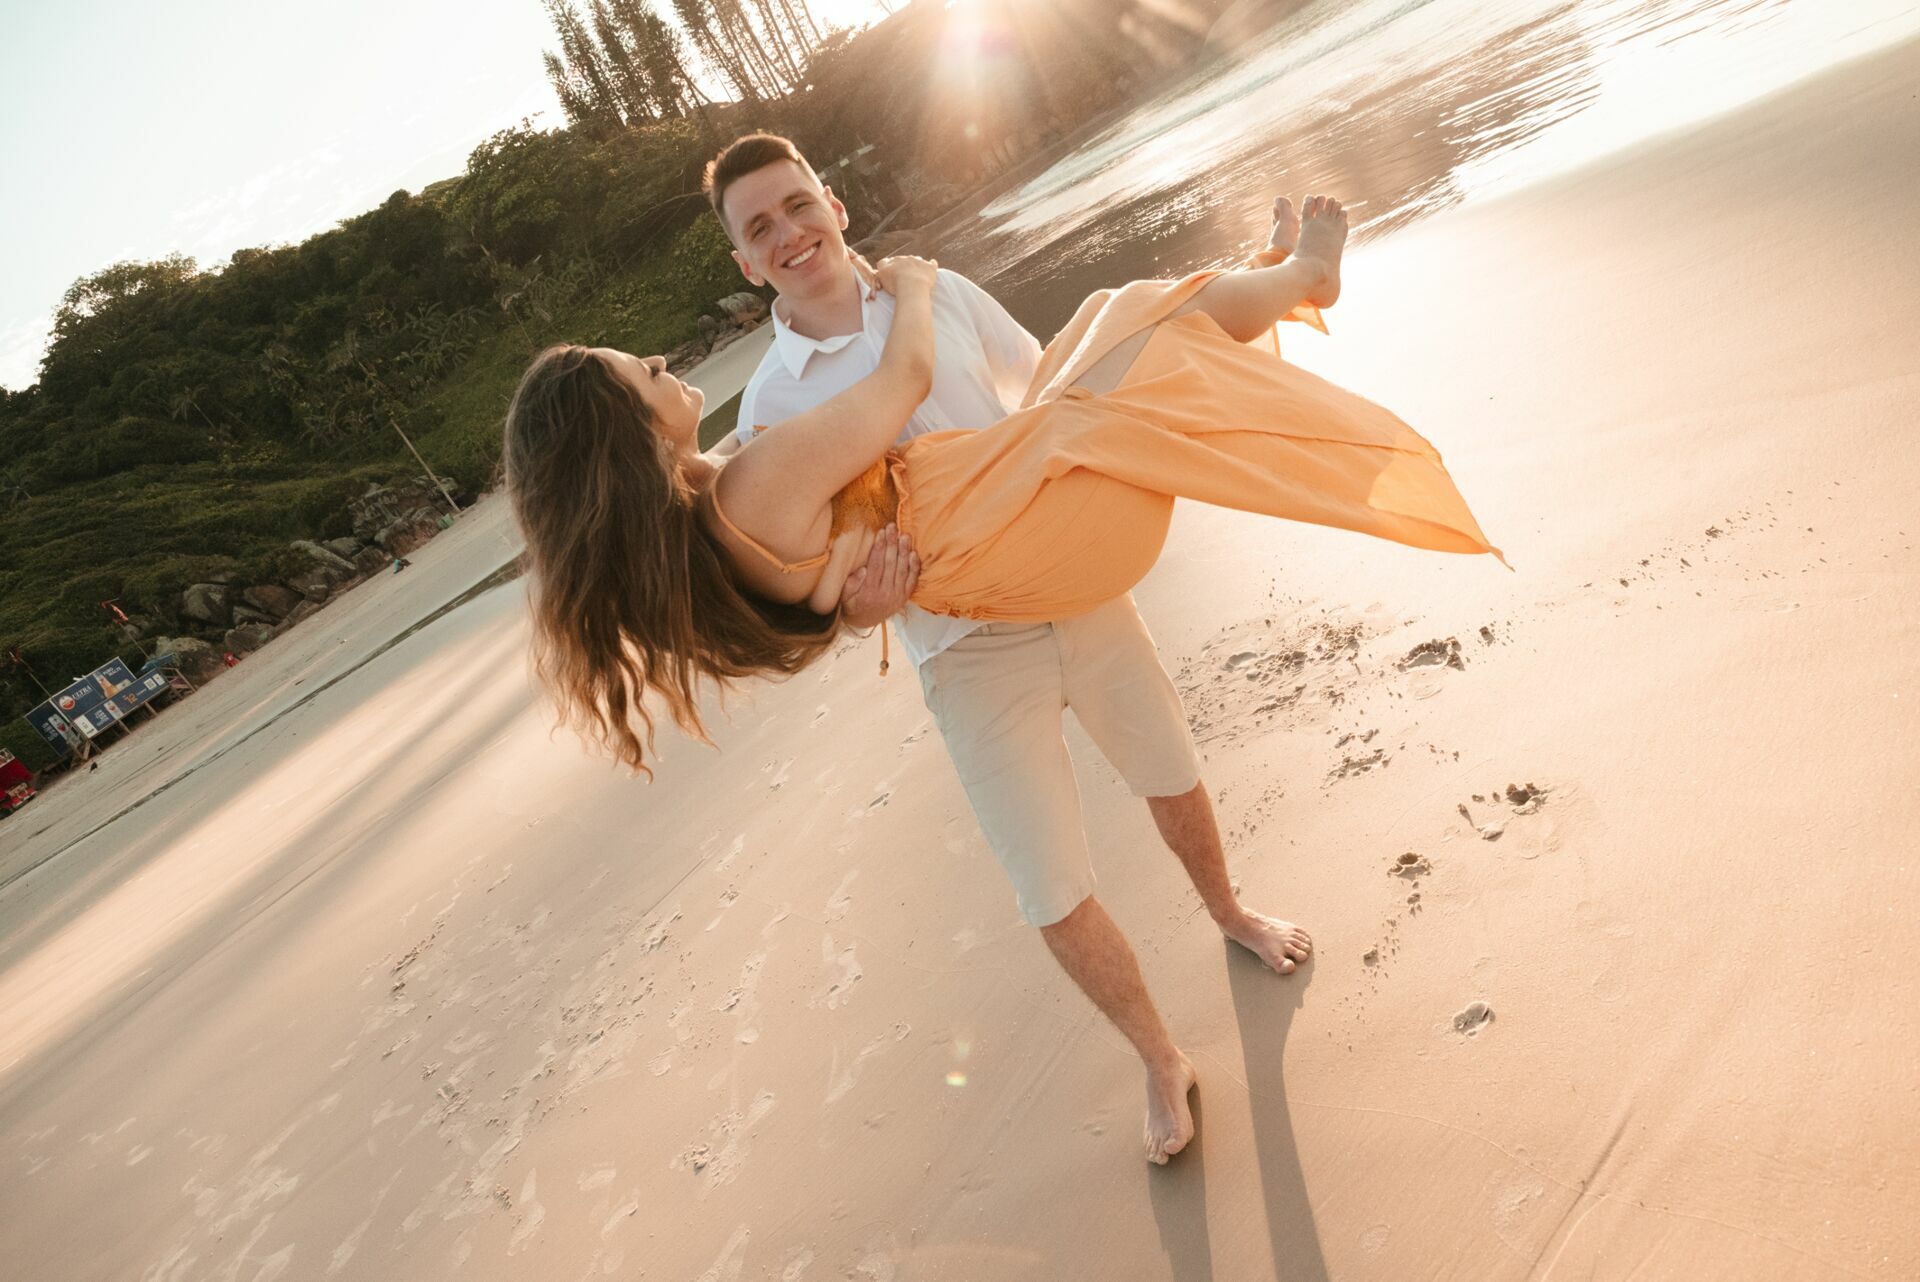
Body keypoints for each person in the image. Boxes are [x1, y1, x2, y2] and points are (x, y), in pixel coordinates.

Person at [503, 139, 1498, 1163]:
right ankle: (1161, 1057)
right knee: (1048, 879)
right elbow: (851, 524)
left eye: (798, 207)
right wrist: (864, 602)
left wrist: (861, 573)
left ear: (835, 208)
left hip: (1051, 539)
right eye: (760, 228)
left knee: (1165, 741)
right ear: (745, 263)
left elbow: (1026, 387)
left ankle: (1231, 910)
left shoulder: (715, 489)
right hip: (969, 628)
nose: (789, 233)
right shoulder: (767, 417)